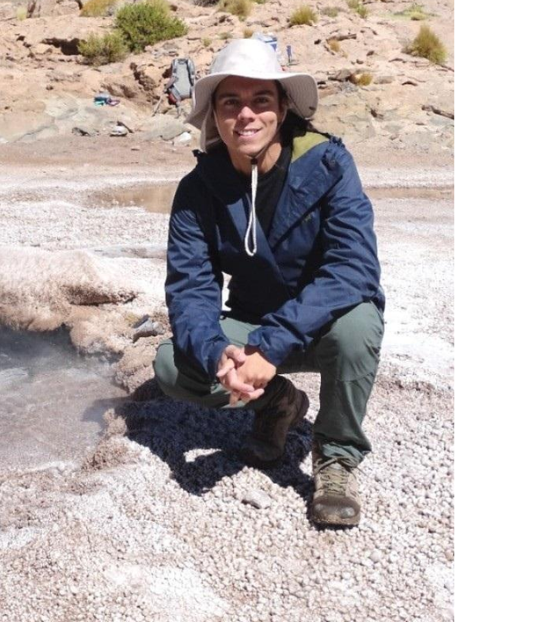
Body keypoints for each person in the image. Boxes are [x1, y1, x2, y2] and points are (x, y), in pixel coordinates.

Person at [152, 39, 386, 527]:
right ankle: (281, 403)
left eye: (261, 100)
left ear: (282, 108)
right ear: (213, 115)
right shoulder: (199, 188)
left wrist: (272, 346)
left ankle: (336, 456)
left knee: (359, 324)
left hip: (322, 321)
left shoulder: (328, 166)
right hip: (252, 320)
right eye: (230, 102)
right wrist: (219, 351)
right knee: (174, 367)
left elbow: (353, 269)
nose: (246, 115)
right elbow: (191, 287)